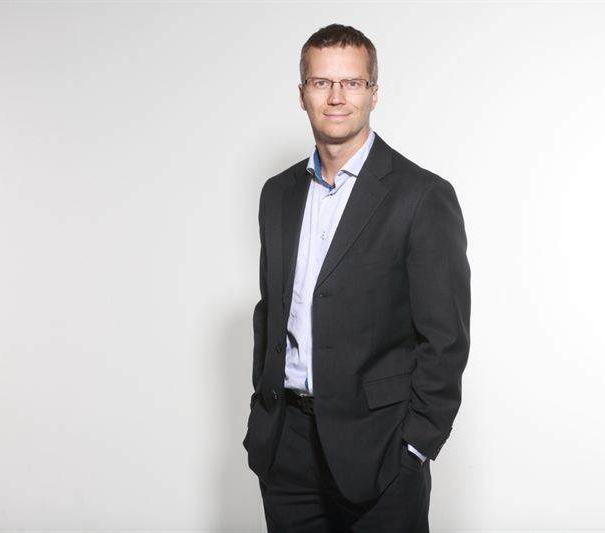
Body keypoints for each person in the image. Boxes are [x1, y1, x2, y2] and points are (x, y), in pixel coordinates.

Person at [243, 23, 470, 532]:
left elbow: (445, 339)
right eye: (322, 82)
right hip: (286, 450)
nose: (337, 96)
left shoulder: (421, 196)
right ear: (302, 94)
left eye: (352, 82)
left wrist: (415, 445)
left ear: (373, 93)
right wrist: (264, 417)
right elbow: (271, 311)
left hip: (380, 450)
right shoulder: (277, 194)